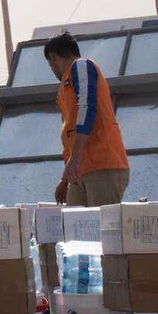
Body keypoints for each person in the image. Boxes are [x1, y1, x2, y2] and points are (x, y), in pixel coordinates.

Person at [44, 31, 130, 207]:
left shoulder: (81, 66)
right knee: (76, 227)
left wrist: (73, 161)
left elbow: (87, 108)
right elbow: (70, 133)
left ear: (53, 58)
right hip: (80, 170)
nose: (52, 70)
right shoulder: (64, 88)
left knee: (103, 228)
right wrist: (65, 179)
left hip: (102, 165)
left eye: (50, 64)